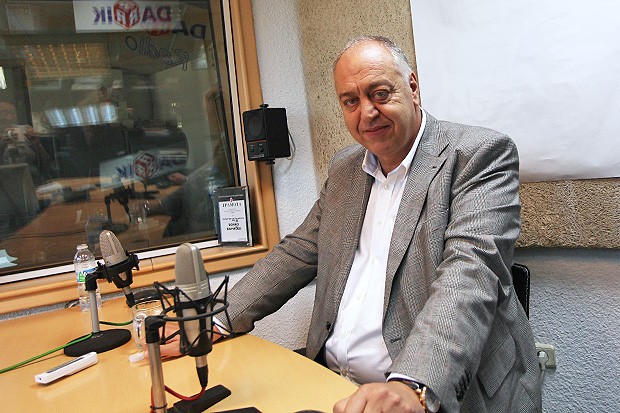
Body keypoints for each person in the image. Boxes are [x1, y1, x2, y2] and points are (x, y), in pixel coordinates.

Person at [158, 36, 542, 412]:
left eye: (380, 94)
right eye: (351, 101)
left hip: (431, 391)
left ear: (412, 87)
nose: (367, 113)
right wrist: (213, 320)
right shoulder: (346, 167)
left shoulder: (478, 155)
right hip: (333, 386)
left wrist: (414, 384)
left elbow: (470, 272)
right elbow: (298, 252)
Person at [0, 101, 51, 186]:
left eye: (12, 113)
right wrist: (2, 145)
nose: (9, 117)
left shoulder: (25, 130)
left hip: (32, 180)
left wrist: (37, 143)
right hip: (5, 184)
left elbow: (46, 163)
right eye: (4, 113)